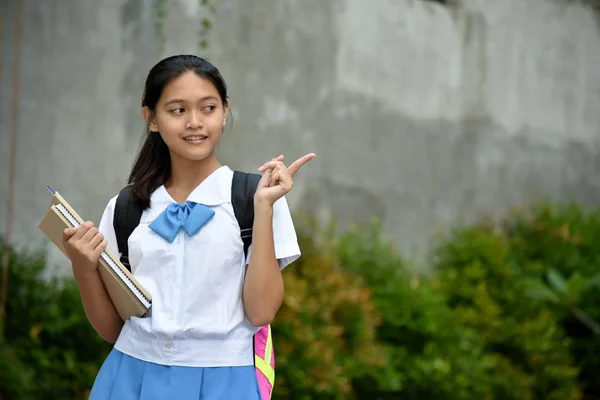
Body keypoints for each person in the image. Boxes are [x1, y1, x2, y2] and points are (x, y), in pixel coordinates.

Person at [62, 54, 315, 399]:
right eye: (178, 110)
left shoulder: (257, 199)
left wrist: (264, 209)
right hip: (130, 377)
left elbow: (261, 311)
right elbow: (112, 330)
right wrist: (83, 268)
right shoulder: (126, 208)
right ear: (151, 118)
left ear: (225, 111)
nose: (195, 122)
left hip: (225, 381)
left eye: (208, 108)